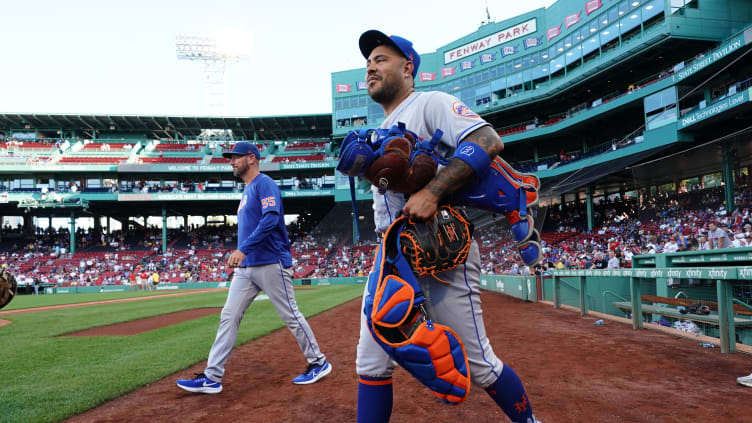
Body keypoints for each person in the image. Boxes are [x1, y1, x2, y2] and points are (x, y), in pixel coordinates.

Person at [353, 30, 540, 423]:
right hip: (391, 251)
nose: (371, 66)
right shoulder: (383, 126)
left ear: (408, 68)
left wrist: (435, 190)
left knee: (480, 365)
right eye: (369, 61)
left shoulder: (430, 103)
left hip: (440, 248)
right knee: (371, 362)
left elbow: (488, 140)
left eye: (381, 59)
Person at [177, 142, 331, 394]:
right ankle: (212, 377)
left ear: (251, 159)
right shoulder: (247, 190)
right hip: (247, 268)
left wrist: (243, 248)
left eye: (236, 157)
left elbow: (271, 219)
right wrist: (244, 254)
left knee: (290, 315)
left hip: (271, 262)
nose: (231, 162)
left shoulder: (264, 183)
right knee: (228, 316)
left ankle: (319, 362)